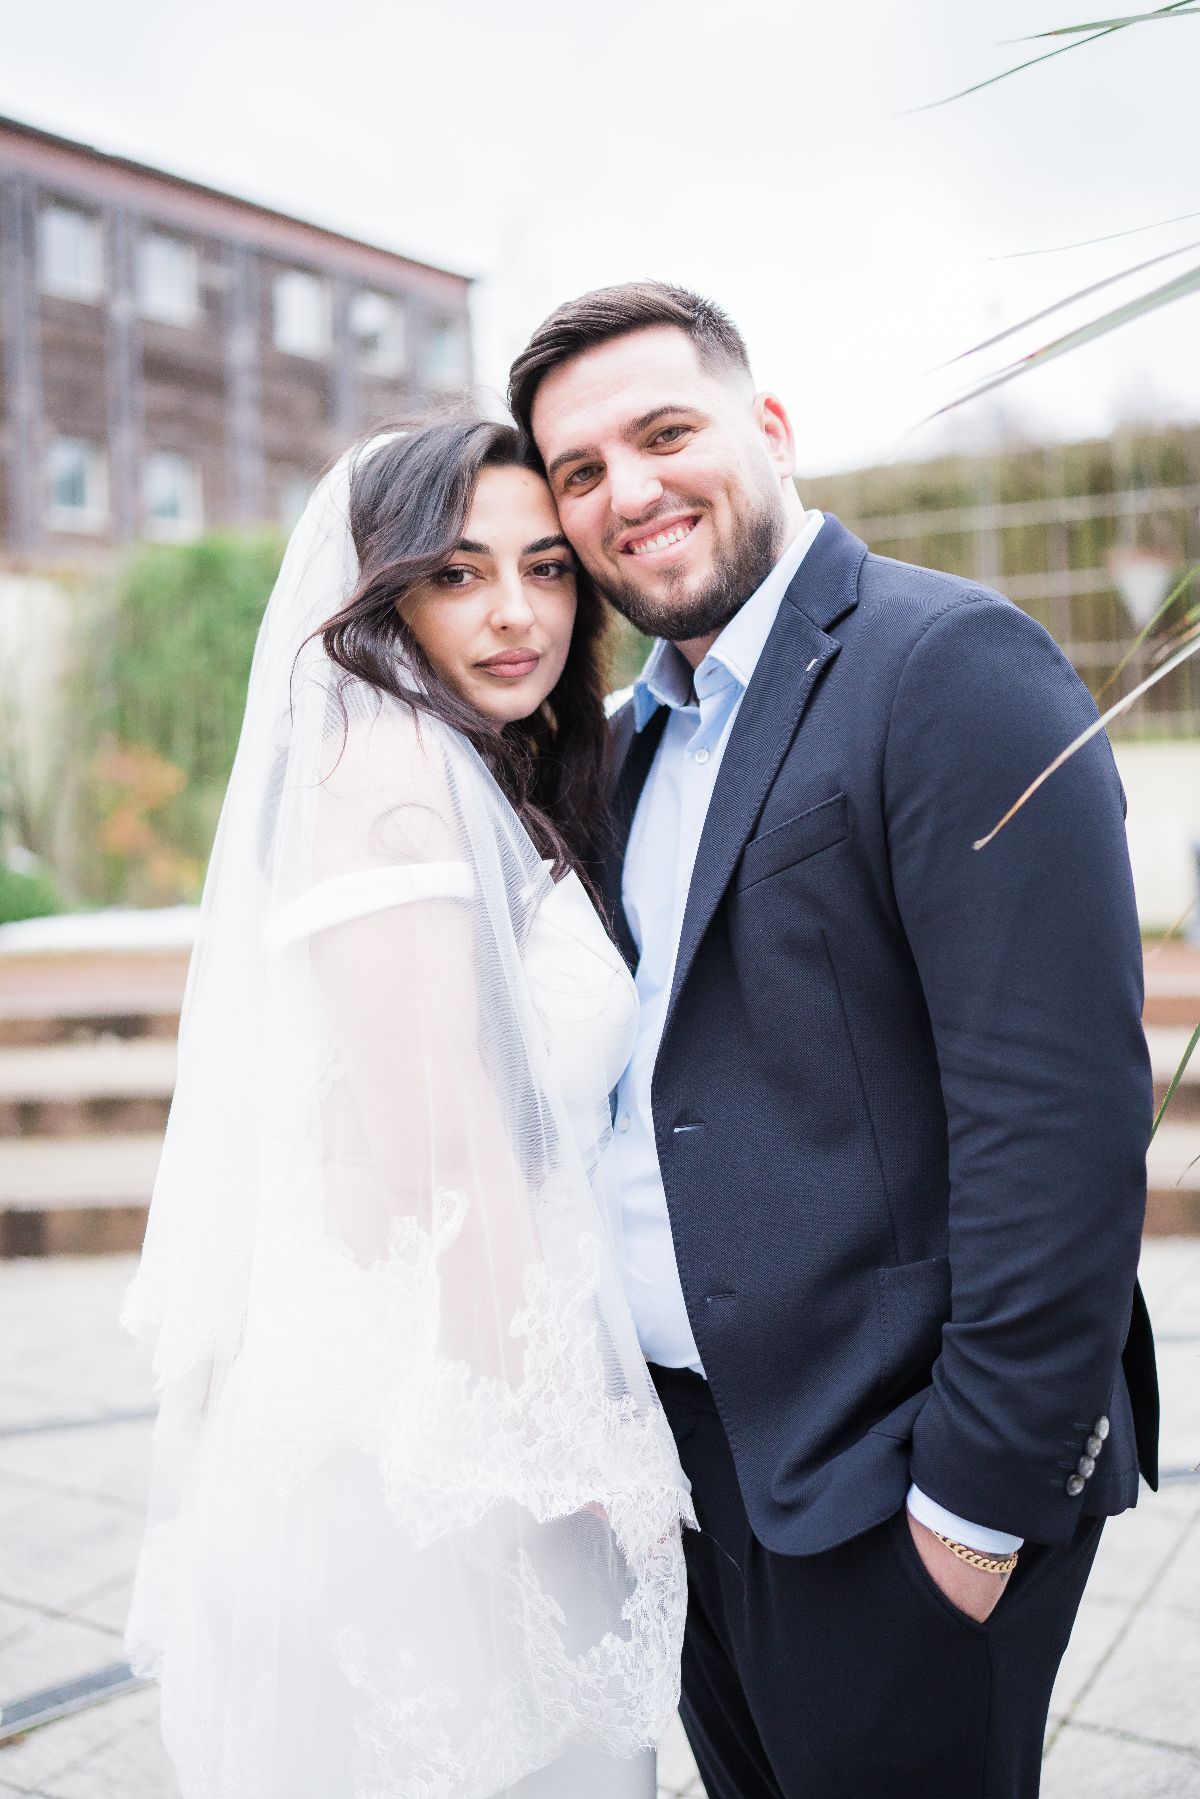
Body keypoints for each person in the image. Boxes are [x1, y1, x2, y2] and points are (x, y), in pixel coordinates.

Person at [509, 282, 1159, 1799]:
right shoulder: (629, 738)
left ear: (773, 428)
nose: (629, 492)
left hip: (891, 1486)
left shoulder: (948, 664)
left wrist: (972, 1514)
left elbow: (1058, 1124)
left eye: (665, 434)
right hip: (691, 1476)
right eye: (581, 472)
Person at [121, 418, 693, 1799]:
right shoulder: (385, 771)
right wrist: (551, 1443)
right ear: (385, 590)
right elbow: (442, 1146)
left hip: (461, 1364)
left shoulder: (472, 763)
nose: (516, 614)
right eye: (457, 573)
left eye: (546, 569)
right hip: (442, 1417)